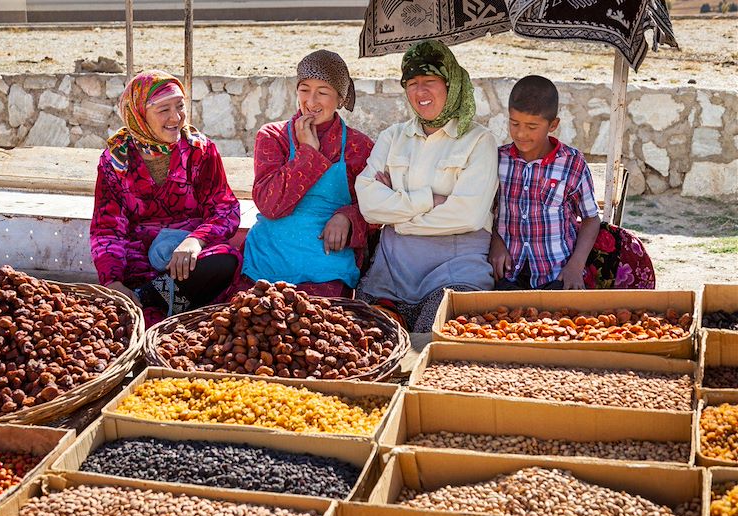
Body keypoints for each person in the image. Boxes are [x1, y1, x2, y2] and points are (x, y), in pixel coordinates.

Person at [354, 40, 498, 332]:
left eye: (430, 81)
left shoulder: (479, 141)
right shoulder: (393, 136)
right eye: (412, 83)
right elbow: (369, 205)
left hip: (455, 271)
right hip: (391, 274)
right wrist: (431, 199)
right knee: (368, 341)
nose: (420, 92)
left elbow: (467, 215)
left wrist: (398, 217)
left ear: (451, 84)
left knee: (433, 341)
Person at [90, 70, 241, 326]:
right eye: (164, 110)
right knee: (137, 320)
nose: (176, 117)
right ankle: (158, 299)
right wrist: (113, 281)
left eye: (180, 106)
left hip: (187, 262)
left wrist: (196, 240)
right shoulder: (115, 161)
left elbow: (225, 209)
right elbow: (107, 229)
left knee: (225, 259)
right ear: (139, 115)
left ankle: (152, 298)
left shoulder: (199, 152)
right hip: (138, 261)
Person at [237, 49, 375, 297]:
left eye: (322, 92)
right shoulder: (273, 136)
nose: (311, 102)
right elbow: (270, 205)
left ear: (340, 98)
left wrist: (348, 216)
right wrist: (309, 153)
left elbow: (376, 212)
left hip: (326, 265)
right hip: (267, 260)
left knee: (319, 331)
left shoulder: (360, 146)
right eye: (304, 89)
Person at [489, 75, 601, 291]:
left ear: (553, 125)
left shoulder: (572, 163)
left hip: (558, 274)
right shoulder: (497, 160)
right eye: (514, 123)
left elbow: (590, 218)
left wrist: (576, 266)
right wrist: (495, 241)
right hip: (507, 273)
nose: (521, 133)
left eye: (532, 127)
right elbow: (483, 211)